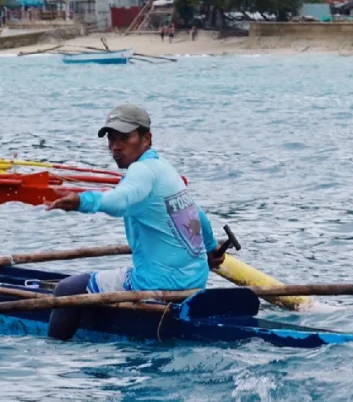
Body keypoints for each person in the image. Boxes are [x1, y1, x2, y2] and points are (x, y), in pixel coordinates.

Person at [45, 104, 229, 342]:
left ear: (146, 138)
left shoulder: (142, 171)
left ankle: (55, 353)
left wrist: (83, 201)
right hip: (195, 281)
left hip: (157, 284)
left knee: (66, 290)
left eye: (125, 137)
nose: (115, 146)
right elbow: (197, 214)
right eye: (111, 138)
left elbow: (120, 200)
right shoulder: (165, 169)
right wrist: (211, 248)